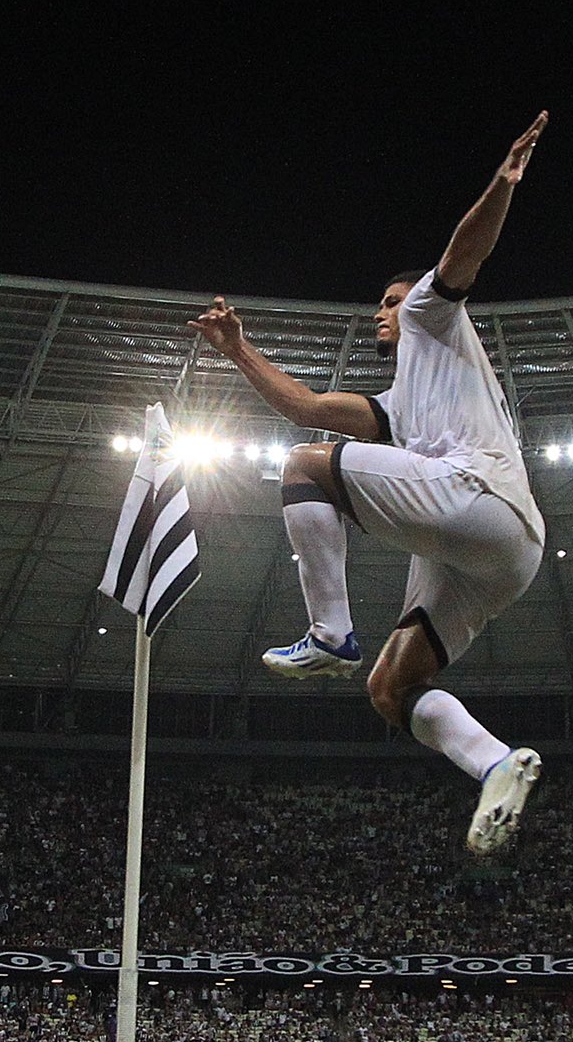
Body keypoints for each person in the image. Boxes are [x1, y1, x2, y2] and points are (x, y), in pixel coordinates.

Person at [188, 114, 549, 855]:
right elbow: (308, 408)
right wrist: (239, 350)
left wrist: (501, 185)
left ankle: (330, 631)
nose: (382, 313)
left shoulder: (428, 315)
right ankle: (494, 766)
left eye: (387, 302)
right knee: (390, 691)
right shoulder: (398, 404)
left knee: (302, 466)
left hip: (479, 496)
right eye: (385, 305)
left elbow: (461, 255)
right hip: (499, 555)